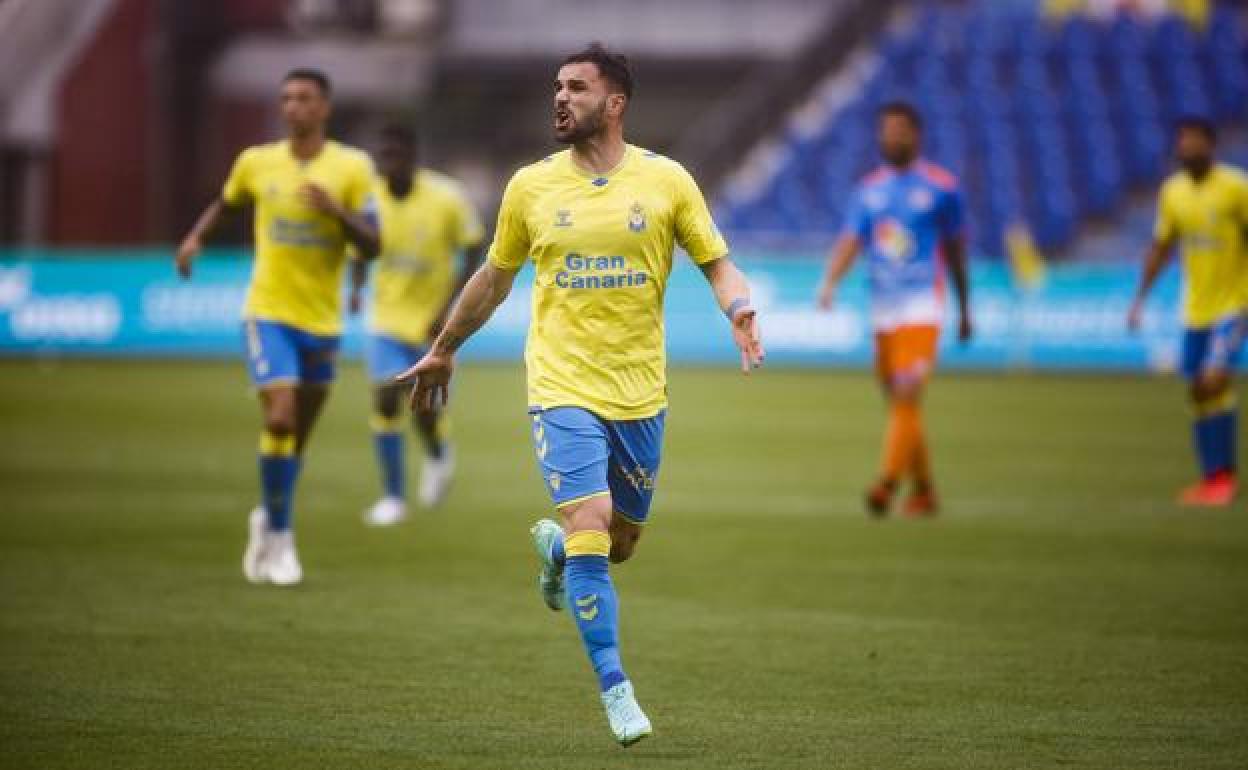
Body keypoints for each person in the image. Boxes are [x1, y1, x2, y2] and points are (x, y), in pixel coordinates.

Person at [397, 43, 763, 746]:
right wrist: (445, 348)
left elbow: (718, 264)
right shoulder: (530, 187)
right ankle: (617, 690)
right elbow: (494, 278)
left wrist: (739, 309)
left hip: (639, 392)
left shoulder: (666, 181)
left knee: (617, 543)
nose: (559, 98)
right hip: (561, 384)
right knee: (592, 517)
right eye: (556, 88)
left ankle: (559, 550)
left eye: (576, 88)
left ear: (614, 103)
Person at [175, 68, 379, 585]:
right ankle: (283, 541)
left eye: (304, 98)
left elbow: (373, 244)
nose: (293, 106)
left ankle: (268, 513)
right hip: (268, 312)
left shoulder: (352, 167)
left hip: (323, 320)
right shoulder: (256, 162)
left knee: (297, 441)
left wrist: (335, 211)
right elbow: (226, 203)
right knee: (281, 419)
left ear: (324, 108)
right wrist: (195, 239)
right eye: (286, 98)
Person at [816, 101, 972, 518]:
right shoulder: (869, 190)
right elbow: (853, 239)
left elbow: (956, 249)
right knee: (901, 403)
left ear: (916, 135)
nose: (891, 137)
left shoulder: (941, 187)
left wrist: (965, 307)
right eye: (886, 130)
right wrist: (830, 281)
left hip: (922, 304)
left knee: (906, 391)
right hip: (882, 308)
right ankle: (923, 492)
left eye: (900, 130)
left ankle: (885, 485)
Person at [352, 123, 485, 525]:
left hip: (433, 323)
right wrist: (356, 284)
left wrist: (450, 306)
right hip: (387, 317)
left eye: (395, 152)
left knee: (424, 410)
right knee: (385, 396)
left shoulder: (446, 197)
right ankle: (393, 497)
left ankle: (439, 453)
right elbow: (362, 243)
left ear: (412, 154)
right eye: (383, 154)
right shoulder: (369, 198)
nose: (388, 160)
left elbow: (475, 245)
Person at [1128, 116, 1248, 506]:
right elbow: (1162, 247)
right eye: (1182, 142)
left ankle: (1225, 478)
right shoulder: (1173, 192)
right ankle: (1212, 477)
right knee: (1197, 391)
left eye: (1194, 141)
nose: (1187, 148)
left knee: (1214, 381)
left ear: (1210, 145)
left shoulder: (1236, 188)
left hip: (1234, 303)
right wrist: (1139, 299)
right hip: (1195, 308)